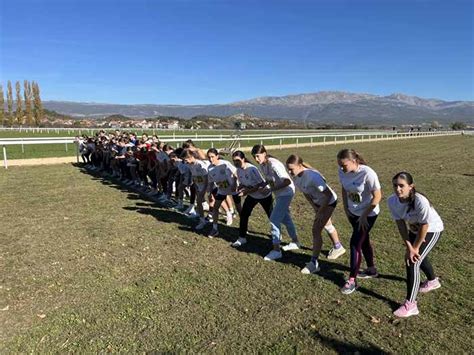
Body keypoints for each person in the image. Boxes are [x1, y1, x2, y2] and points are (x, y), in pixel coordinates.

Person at [388, 172, 443, 318]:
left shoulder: (420, 201)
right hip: (414, 229)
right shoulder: (392, 201)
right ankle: (433, 281)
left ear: (411, 187)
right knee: (418, 256)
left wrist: (415, 248)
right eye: (395, 185)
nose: (398, 189)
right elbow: (400, 224)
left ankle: (411, 305)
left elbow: (425, 225)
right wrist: (409, 247)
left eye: (402, 186)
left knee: (413, 261)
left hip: (432, 229)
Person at [286, 154, 346, 274]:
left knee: (316, 230)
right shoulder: (296, 176)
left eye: (291, 169)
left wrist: (320, 211)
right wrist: (315, 207)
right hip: (318, 203)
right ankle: (338, 247)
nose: (289, 171)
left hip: (329, 202)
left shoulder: (313, 177)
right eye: (288, 168)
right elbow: (306, 193)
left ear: (299, 166)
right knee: (326, 225)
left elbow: (328, 195)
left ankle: (314, 263)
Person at [337, 148, 382, 294]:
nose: (342, 168)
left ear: (354, 161)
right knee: (364, 240)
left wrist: (364, 216)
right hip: (353, 213)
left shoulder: (368, 173)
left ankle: (352, 280)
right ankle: (371, 269)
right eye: (340, 165)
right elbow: (344, 189)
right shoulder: (342, 171)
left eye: (344, 165)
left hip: (368, 214)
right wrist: (346, 208)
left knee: (355, 243)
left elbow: (377, 196)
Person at [251, 144, 301, 261]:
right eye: (254, 157)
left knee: (274, 219)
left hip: (287, 192)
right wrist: (262, 186)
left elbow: (287, 181)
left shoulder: (273, 164)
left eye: (258, 156)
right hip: (279, 194)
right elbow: (269, 181)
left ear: (264, 153)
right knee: (285, 219)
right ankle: (295, 242)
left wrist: (270, 189)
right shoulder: (263, 165)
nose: (256, 159)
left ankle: (276, 250)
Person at [230, 151, 273, 247]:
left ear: (243, 159)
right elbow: (244, 183)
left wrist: (246, 192)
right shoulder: (238, 170)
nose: (236, 163)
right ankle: (242, 238)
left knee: (271, 216)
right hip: (253, 196)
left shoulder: (252, 169)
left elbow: (260, 185)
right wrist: (240, 187)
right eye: (234, 161)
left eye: (238, 160)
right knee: (244, 215)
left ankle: (277, 235)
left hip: (264, 195)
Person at [206, 148, 237, 238]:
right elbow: (211, 182)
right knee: (215, 208)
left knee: (240, 209)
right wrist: (210, 192)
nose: (211, 159)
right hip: (222, 190)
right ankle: (215, 229)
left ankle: (242, 229)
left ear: (217, 156)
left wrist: (235, 184)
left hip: (234, 190)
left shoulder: (225, 163)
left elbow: (236, 173)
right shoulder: (210, 168)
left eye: (212, 157)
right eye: (209, 157)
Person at [180, 148, 210, 231]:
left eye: (185, 159)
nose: (185, 162)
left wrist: (204, 190)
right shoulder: (190, 165)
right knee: (199, 202)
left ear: (191, 157)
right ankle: (202, 220)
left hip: (209, 185)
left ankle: (228, 213)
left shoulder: (200, 164)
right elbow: (194, 176)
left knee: (214, 202)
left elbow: (206, 178)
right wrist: (195, 185)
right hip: (199, 186)